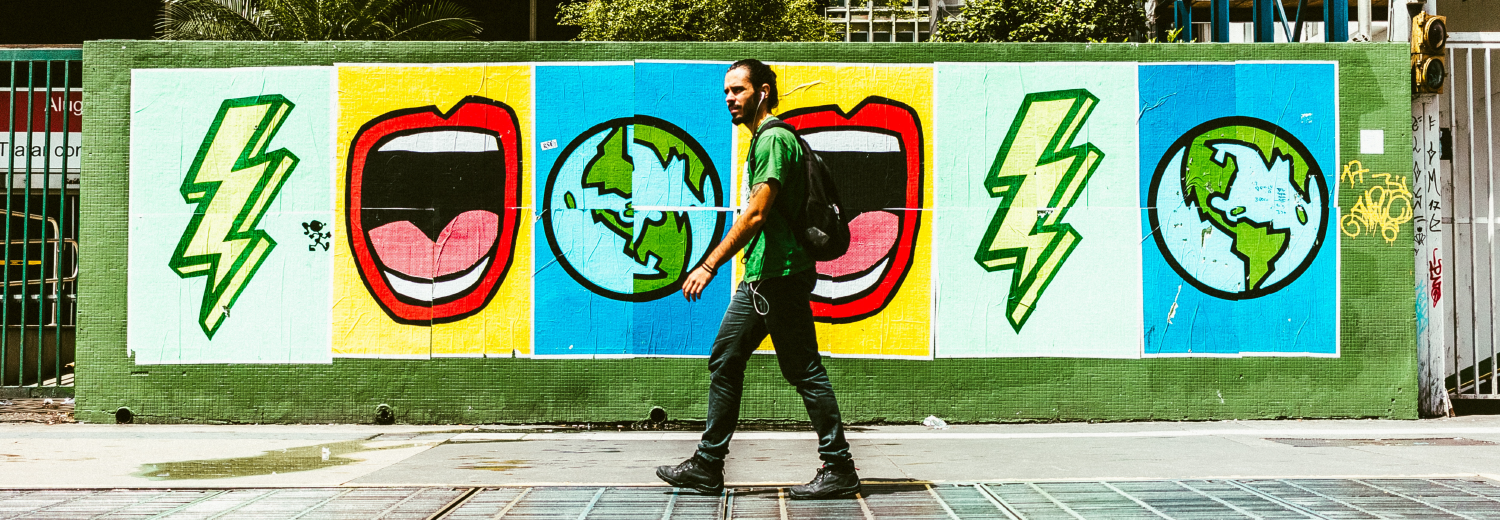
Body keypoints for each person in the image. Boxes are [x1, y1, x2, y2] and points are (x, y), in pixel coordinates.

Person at [654, 59, 860, 500]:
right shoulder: (772, 140)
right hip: (769, 274)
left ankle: (838, 466)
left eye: (738, 90)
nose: (730, 98)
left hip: (775, 276)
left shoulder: (773, 140)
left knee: (799, 369)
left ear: (763, 92)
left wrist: (710, 264)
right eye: (727, 91)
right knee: (730, 359)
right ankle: (709, 464)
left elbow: (756, 213)